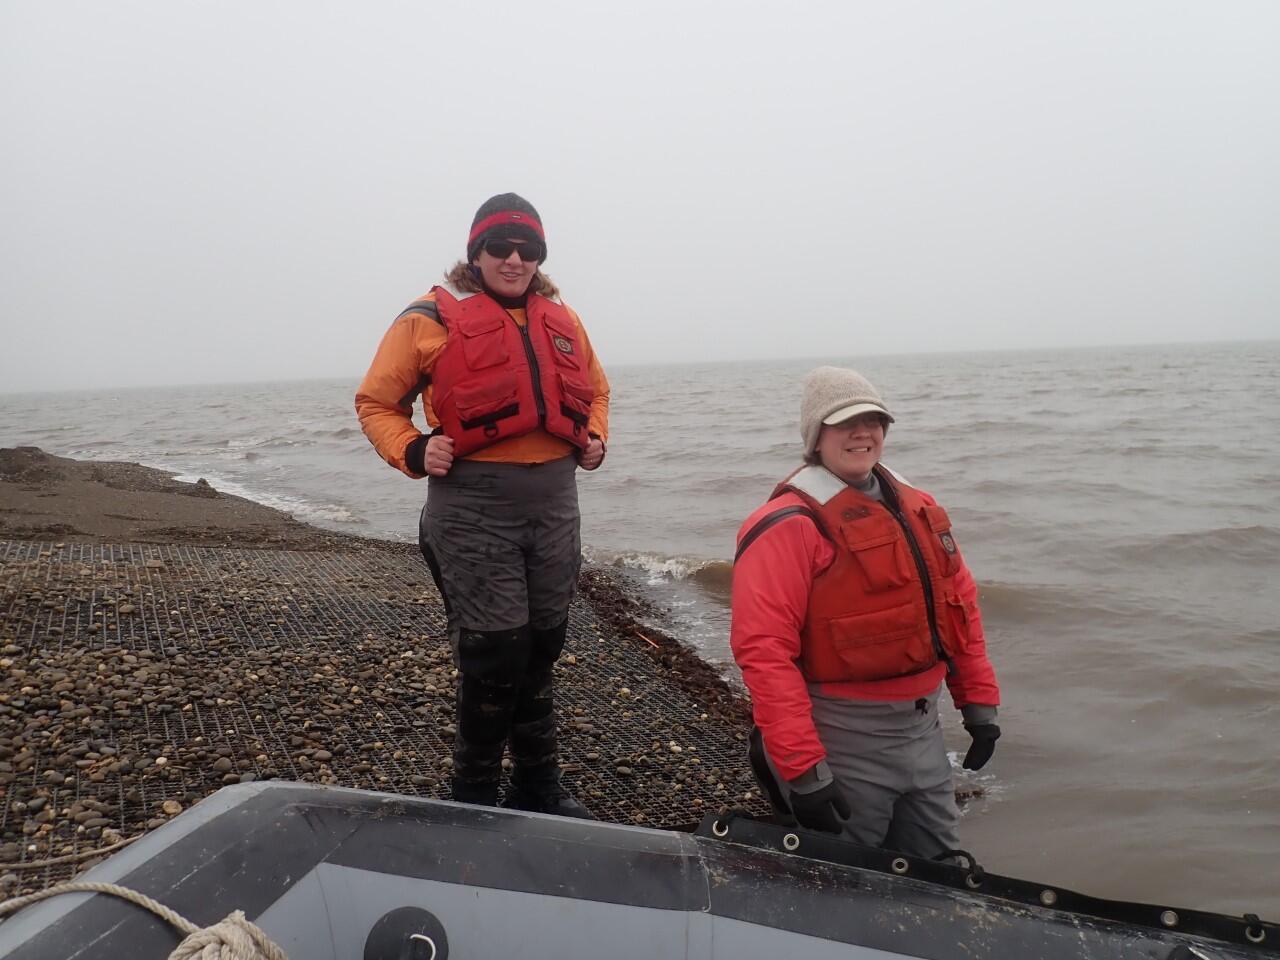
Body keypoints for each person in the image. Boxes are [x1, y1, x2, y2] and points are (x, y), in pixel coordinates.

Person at [355, 193, 609, 817]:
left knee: (543, 644)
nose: (515, 259)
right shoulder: (427, 319)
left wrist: (597, 436)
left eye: (528, 249)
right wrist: (414, 452)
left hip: (554, 506)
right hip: (471, 510)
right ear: (476, 252)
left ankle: (536, 786)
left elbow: (596, 392)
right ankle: (471, 794)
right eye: (501, 247)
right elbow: (375, 403)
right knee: (496, 652)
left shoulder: (564, 318)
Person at [729, 365, 1000, 859]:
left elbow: (959, 607)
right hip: (840, 735)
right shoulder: (787, 525)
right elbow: (763, 652)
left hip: (923, 731)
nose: (863, 432)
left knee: (940, 875)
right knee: (839, 880)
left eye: (874, 420)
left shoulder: (920, 507)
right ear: (816, 436)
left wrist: (978, 704)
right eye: (844, 422)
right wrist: (802, 768)